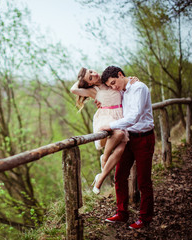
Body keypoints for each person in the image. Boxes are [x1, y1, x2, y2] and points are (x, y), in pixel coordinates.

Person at [100, 66, 155, 230]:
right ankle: (122, 213)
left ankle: (145, 218)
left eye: (114, 83)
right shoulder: (121, 91)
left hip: (144, 138)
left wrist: (110, 125)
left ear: (120, 74)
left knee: (143, 181)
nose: (113, 87)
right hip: (128, 139)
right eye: (110, 85)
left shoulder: (139, 88)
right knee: (119, 176)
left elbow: (134, 116)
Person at [70, 68, 137, 195]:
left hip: (120, 115)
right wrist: (81, 79)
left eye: (91, 71)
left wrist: (133, 78)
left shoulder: (108, 80)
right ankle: (105, 157)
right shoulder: (93, 90)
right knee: (119, 134)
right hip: (105, 116)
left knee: (121, 148)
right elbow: (73, 90)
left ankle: (100, 178)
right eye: (90, 78)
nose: (94, 74)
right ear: (89, 84)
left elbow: (121, 80)